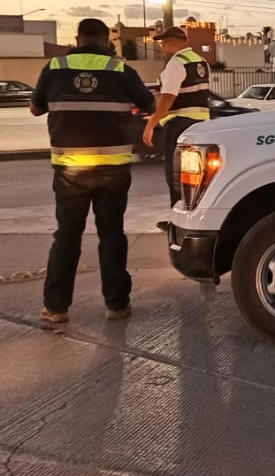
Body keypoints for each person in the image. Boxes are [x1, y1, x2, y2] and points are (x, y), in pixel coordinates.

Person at [30, 18, 154, 324]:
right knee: (112, 235)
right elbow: (149, 102)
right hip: (113, 168)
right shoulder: (121, 71)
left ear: (77, 38)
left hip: (70, 170)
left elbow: (35, 108)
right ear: (106, 41)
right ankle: (116, 304)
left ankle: (56, 307)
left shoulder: (55, 68)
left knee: (67, 236)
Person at [144, 27, 211, 207]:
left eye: (164, 43)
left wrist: (151, 124)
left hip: (178, 125)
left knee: (175, 175)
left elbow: (167, 98)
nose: (162, 47)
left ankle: (178, 214)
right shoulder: (201, 62)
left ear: (173, 42)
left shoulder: (176, 63)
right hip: (201, 125)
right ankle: (194, 209)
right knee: (196, 174)